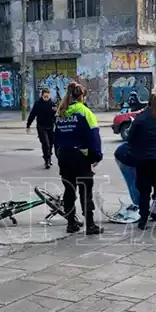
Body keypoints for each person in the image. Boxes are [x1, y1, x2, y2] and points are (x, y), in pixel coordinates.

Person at [54, 82, 103, 235]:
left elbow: (55, 138)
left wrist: (59, 154)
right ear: (81, 96)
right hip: (80, 157)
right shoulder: (84, 112)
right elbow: (94, 136)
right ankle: (90, 225)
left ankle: (71, 223)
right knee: (85, 191)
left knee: (69, 191)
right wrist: (96, 156)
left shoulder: (60, 113)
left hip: (64, 156)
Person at [126, 94, 156, 230]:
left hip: (142, 160)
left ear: (147, 102)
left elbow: (130, 139)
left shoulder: (139, 119)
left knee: (144, 191)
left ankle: (143, 220)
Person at [26, 88, 57, 169]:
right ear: (42, 95)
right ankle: (46, 160)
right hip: (41, 126)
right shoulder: (38, 104)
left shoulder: (53, 104)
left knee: (50, 144)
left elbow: (56, 115)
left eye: (48, 96)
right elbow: (32, 115)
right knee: (45, 143)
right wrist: (28, 125)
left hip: (51, 126)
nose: (46, 98)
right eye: (45, 96)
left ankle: (49, 157)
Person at [111, 142, 141, 223]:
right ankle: (137, 206)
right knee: (134, 182)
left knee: (133, 181)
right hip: (126, 157)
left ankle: (138, 204)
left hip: (122, 153)